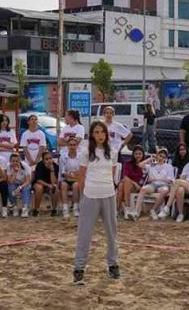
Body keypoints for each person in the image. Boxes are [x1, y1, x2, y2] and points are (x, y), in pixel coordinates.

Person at [72, 120, 121, 285]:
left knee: (111, 233)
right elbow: (81, 175)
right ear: (92, 135)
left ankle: (113, 264)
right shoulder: (86, 152)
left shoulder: (113, 152)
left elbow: (112, 174)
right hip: (90, 195)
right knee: (84, 234)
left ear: (106, 134)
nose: (100, 135)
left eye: (102, 132)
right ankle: (79, 268)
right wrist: (85, 194)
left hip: (108, 194)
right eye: (97, 132)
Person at [135, 148, 176, 220]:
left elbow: (169, 180)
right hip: (153, 185)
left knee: (164, 190)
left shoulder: (168, 166)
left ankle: (153, 210)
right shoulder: (152, 165)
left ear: (165, 158)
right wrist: (149, 159)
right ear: (157, 156)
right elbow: (139, 165)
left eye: (163, 157)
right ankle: (136, 212)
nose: (161, 158)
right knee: (143, 189)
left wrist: (156, 179)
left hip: (163, 185)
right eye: (160, 156)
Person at [118, 146, 147, 219]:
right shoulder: (128, 163)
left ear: (143, 155)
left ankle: (119, 209)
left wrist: (135, 184)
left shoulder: (145, 165)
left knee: (122, 185)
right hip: (129, 185)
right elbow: (125, 176)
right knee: (123, 184)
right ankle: (126, 209)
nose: (138, 155)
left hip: (138, 187)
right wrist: (134, 183)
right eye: (136, 154)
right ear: (133, 155)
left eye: (140, 154)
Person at [58, 136, 83, 218]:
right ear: (68, 146)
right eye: (71, 145)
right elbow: (62, 171)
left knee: (76, 186)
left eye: (74, 145)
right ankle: (65, 208)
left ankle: (76, 207)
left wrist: (73, 174)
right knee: (64, 185)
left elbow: (81, 170)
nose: (72, 147)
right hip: (67, 178)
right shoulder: (63, 156)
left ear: (77, 146)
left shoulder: (80, 156)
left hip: (77, 178)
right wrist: (69, 175)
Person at [31, 150, 61, 217]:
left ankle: (54, 210)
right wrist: (48, 185)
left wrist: (52, 170)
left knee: (55, 188)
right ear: (43, 159)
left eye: (50, 158)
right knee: (39, 188)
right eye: (46, 159)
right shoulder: (40, 165)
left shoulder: (55, 166)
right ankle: (36, 210)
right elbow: (38, 180)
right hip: (40, 183)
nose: (49, 160)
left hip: (50, 184)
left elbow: (54, 182)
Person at [7, 152, 32, 217]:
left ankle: (25, 208)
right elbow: (10, 182)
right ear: (10, 161)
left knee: (26, 188)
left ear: (20, 161)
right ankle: (14, 207)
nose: (15, 163)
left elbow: (28, 181)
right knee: (10, 188)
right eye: (13, 161)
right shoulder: (8, 167)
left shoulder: (25, 166)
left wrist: (20, 187)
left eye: (17, 161)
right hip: (14, 184)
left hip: (24, 184)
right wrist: (15, 172)